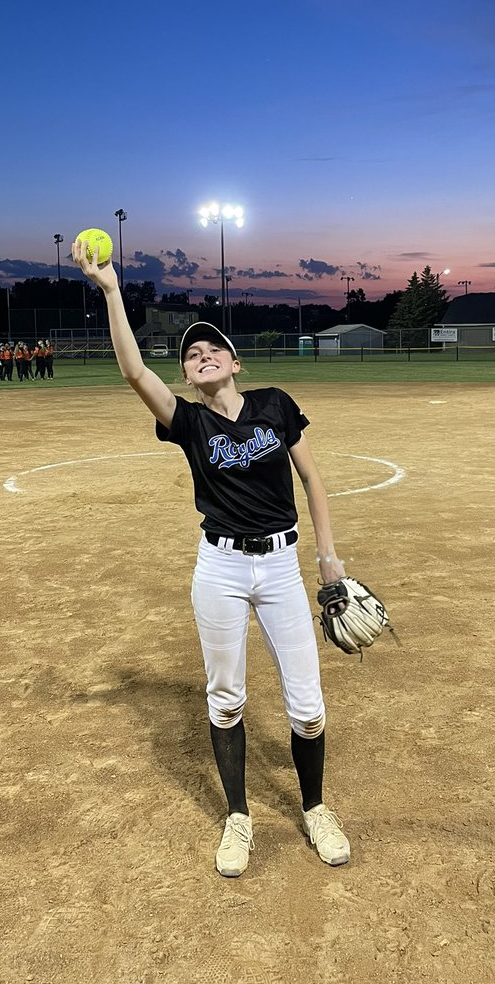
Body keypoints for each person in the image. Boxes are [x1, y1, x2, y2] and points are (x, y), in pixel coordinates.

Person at [73, 236, 351, 879]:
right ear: (189, 375)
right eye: (190, 354)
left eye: (211, 349)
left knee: (306, 705)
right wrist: (113, 290)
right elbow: (133, 373)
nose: (201, 357)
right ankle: (238, 817)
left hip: (282, 566)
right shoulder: (189, 424)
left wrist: (328, 558)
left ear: (235, 361)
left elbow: (312, 482)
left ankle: (315, 808)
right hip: (221, 570)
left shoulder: (275, 406)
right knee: (226, 699)